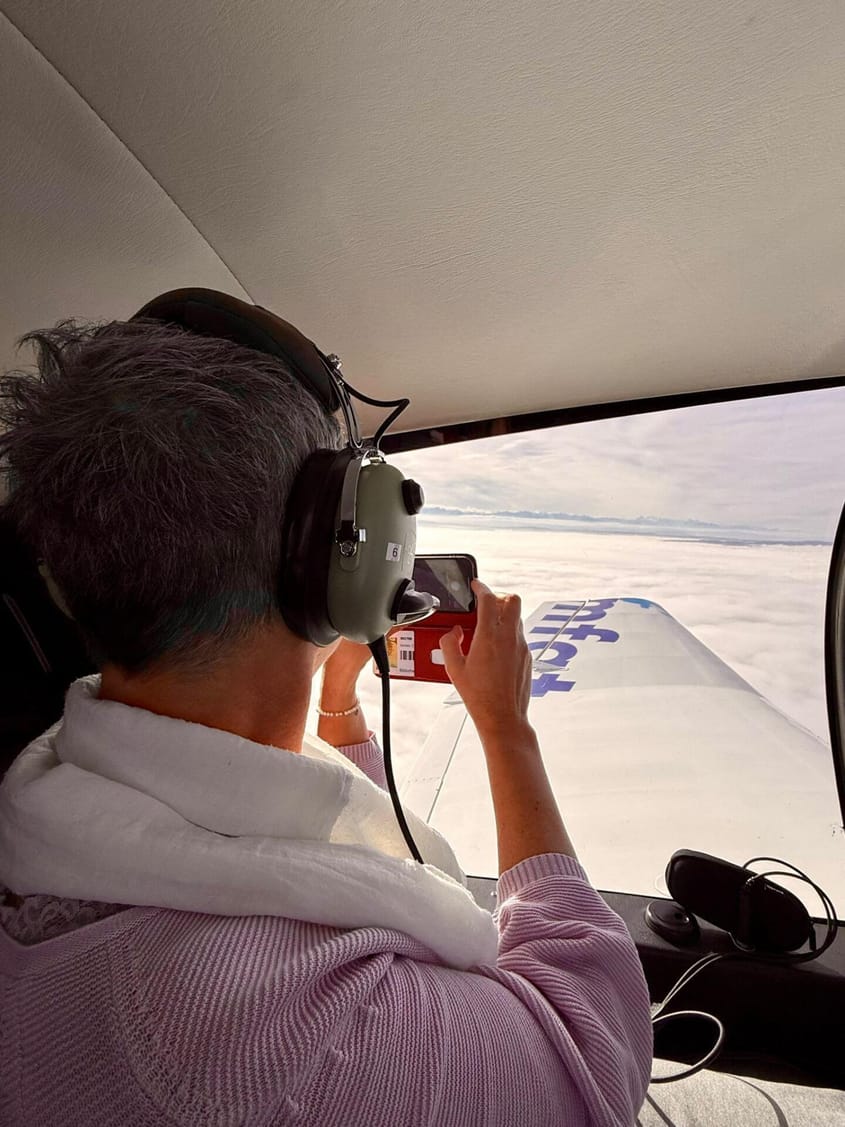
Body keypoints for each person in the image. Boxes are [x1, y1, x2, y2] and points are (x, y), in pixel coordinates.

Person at [0, 316, 652, 1125]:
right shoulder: (304, 1044)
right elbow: (594, 1057)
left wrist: (337, 703)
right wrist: (507, 731)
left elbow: (285, 849)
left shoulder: (53, 800)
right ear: (344, 562)